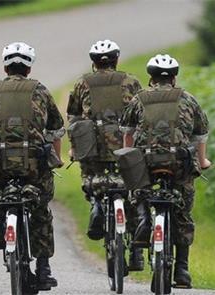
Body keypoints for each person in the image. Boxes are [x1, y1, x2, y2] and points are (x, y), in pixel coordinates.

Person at [0, 42, 65, 291]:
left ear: (5, 67)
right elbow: (56, 129)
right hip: (33, 163)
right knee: (41, 208)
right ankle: (44, 268)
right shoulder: (40, 90)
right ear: (28, 68)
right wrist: (55, 159)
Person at [120, 54, 211, 288]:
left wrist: (130, 155)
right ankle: (182, 270)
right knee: (183, 210)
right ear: (174, 78)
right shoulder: (188, 99)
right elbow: (200, 135)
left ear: (150, 78)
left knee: (137, 190)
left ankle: (142, 219)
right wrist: (202, 161)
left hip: (146, 161)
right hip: (179, 163)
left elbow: (127, 132)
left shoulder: (139, 99)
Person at [66, 40, 144, 271]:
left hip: (93, 147)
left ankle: (96, 206)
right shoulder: (131, 81)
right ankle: (137, 251)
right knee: (131, 187)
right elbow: (142, 114)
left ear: (93, 63)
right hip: (125, 145)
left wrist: (73, 147)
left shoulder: (83, 83)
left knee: (92, 181)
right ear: (116, 60)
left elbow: (74, 118)